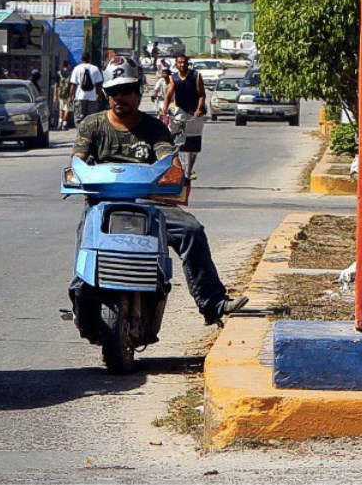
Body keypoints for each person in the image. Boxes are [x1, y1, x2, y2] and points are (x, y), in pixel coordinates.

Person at [68, 57, 247, 326]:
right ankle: (80, 300)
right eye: (114, 91)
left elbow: (169, 161)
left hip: (149, 203)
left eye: (127, 90)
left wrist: (174, 174)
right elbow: (78, 159)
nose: (121, 97)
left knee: (192, 231)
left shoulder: (154, 128)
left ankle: (213, 303)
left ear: (139, 91)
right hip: (104, 204)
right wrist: (75, 172)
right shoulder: (92, 125)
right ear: (106, 94)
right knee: (86, 239)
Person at [160, 52, 209, 173]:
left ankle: (190, 167)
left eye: (184, 62)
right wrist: (164, 109)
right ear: (176, 64)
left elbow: (202, 94)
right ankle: (169, 159)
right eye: (179, 62)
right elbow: (168, 95)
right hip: (181, 108)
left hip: (194, 110)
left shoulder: (195, 76)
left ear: (188, 63)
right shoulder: (174, 78)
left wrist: (199, 109)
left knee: (194, 140)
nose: (182, 64)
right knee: (170, 131)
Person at [67, 53, 104, 127]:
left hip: (79, 97)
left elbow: (73, 85)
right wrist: (99, 95)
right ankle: (89, 135)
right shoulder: (95, 68)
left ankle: (80, 135)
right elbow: (99, 84)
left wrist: (70, 97)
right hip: (92, 98)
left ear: (81, 59)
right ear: (89, 59)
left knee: (79, 119)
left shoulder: (77, 68)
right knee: (91, 119)